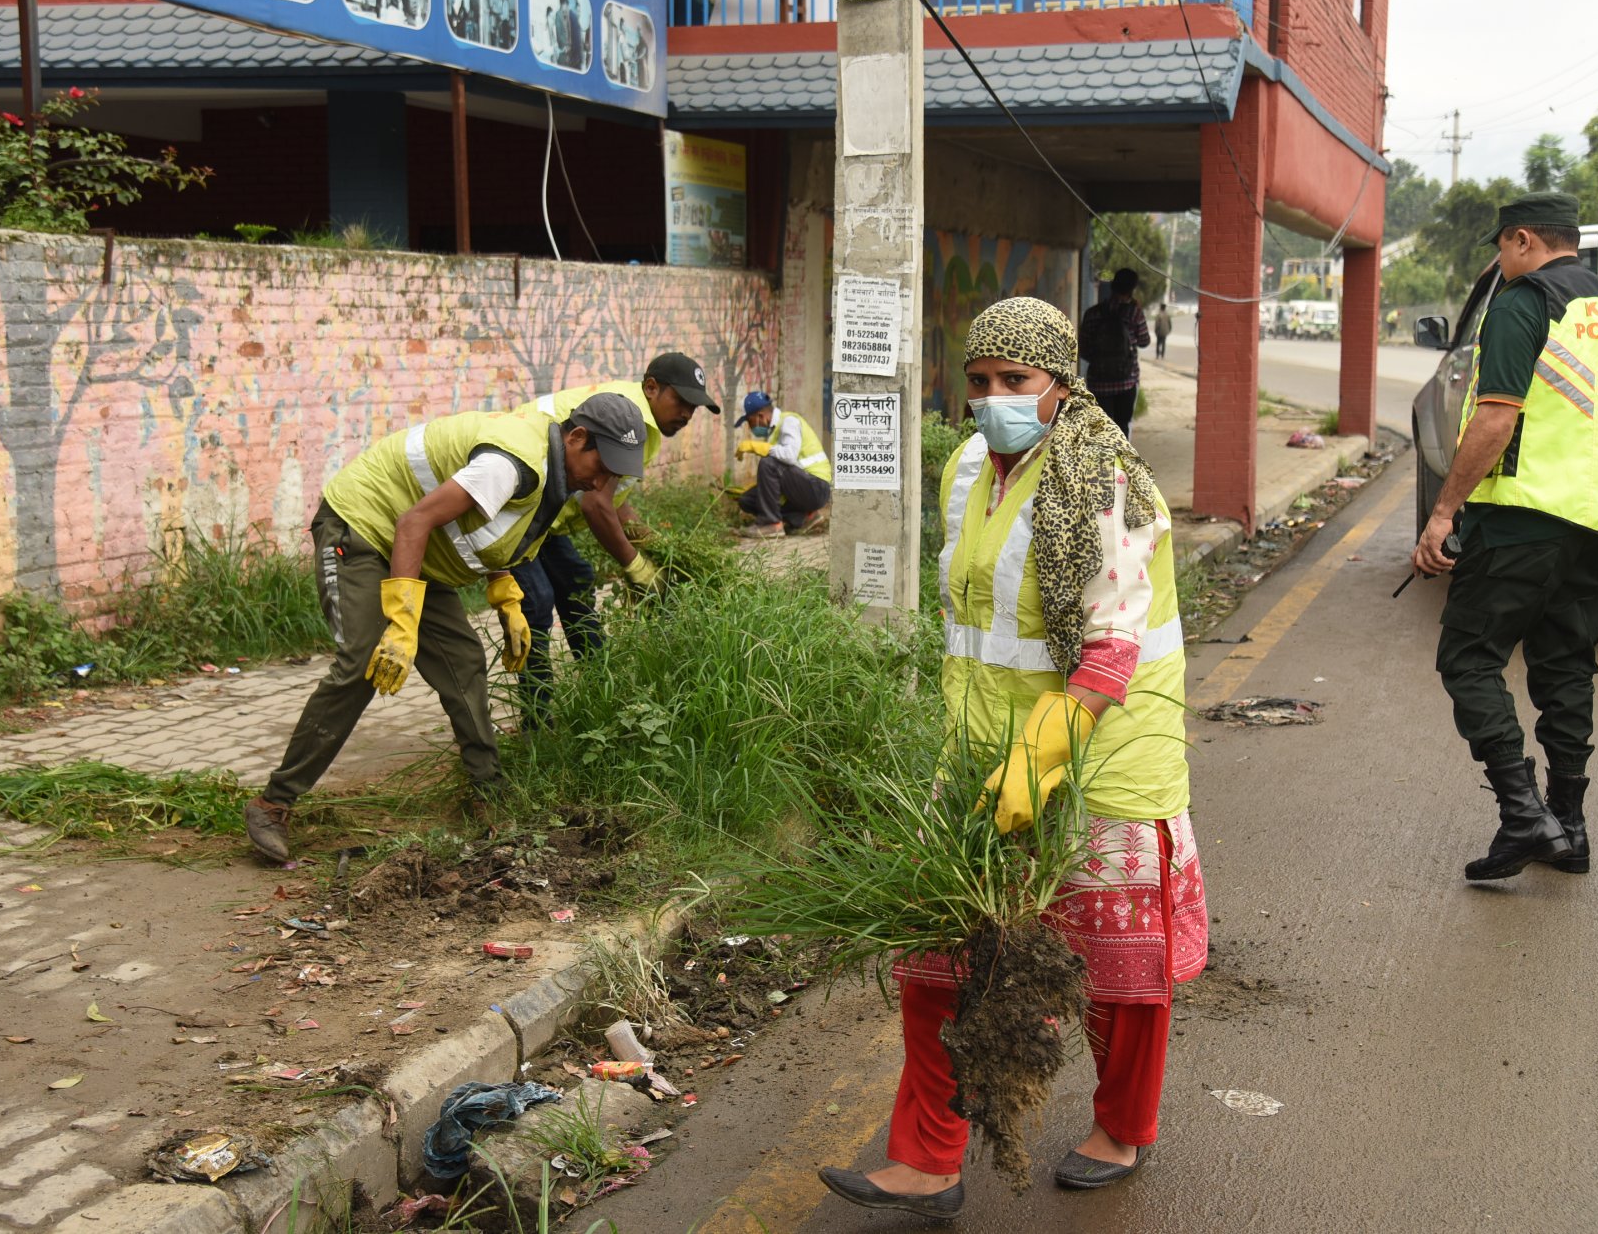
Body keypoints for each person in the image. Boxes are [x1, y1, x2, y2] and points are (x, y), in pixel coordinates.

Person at [818, 298, 1205, 1218]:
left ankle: (1121, 1124)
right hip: (984, 751)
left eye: (1016, 383)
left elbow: (1110, 646)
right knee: (940, 956)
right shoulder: (964, 467)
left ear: (1061, 386)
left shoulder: (1109, 483)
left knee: (1117, 972)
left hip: (1106, 752)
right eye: (981, 381)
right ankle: (925, 1158)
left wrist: (1047, 750)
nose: (993, 398)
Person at [243, 394, 648, 863]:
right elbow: (413, 520)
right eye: (602, 462)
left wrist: (505, 592)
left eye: (616, 472)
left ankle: (487, 792)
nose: (603, 480)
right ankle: (273, 803)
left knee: (464, 660)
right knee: (365, 661)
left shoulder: (553, 473)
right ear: (576, 437)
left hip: (419, 550)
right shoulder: (514, 462)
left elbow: (486, 527)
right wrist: (400, 622)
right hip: (364, 528)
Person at [1412, 192, 1598, 881]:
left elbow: (1496, 417)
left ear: (1523, 239)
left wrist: (1443, 512)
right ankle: (1571, 826)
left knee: (1468, 657)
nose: (1501, 262)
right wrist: (1589, 438)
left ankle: (1526, 816)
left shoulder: (1525, 301)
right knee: (1565, 668)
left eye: (1502, 248)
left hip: (1522, 519)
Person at [511, 354, 720, 719]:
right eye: (682, 401)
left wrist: (653, 544)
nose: (688, 414)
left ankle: (602, 693)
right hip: (517, 505)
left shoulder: (643, 421)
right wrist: (634, 564)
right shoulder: (626, 418)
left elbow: (612, 499)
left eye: (695, 406)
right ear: (651, 387)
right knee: (537, 602)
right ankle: (536, 721)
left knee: (576, 580)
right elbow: (595, 503)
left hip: (545, 515)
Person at [733, 391, 830, 539]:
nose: (750, 427)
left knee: (768, 463)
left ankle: (771, 524)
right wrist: (764, 488)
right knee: (747, 500)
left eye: (749, 421)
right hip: (801, 486)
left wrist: (760, 447)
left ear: (760, 416)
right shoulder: (774, 432)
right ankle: (805, 517)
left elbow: (789, 456)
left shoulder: (789, 421)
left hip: (816, 487)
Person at [1078, 270, 1150, 436]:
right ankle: (1122, 460)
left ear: (1112, 286)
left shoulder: (1093, 313)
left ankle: (1102, 460)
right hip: (1127, 381)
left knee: (1100, 428)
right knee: (1122, 426)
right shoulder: (1134, 313)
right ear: (1132, 289)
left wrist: (1100, 362)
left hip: (1098, 382)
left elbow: (1084, 350)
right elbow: (1144, 341)